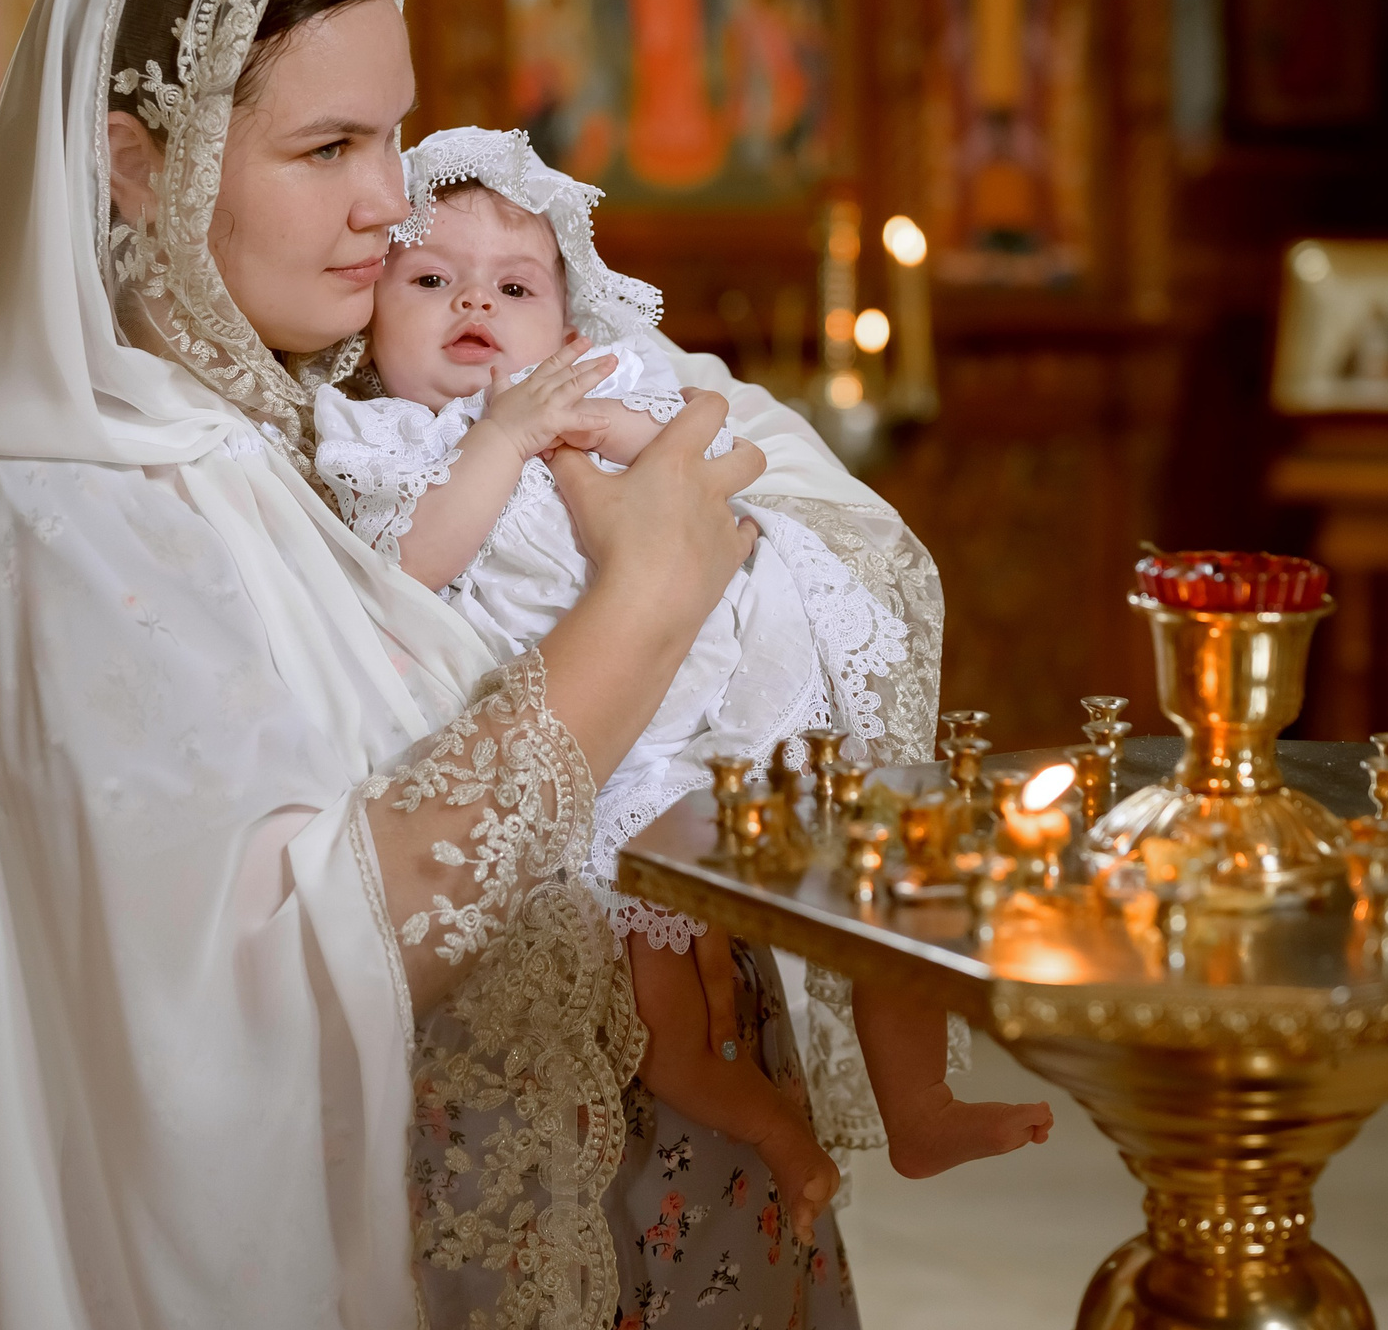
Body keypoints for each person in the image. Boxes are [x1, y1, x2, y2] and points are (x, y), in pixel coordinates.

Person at [0, 0, 769, 1330]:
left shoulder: (269, 440)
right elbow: (275, 980)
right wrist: (647, 602)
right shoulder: (62, 501)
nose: (387, 198)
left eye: (395, 131)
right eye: (328, 144)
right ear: (137, 164)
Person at [312, 128, 1051, 1244]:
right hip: (604, 753)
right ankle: (768, 1124)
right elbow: (411, 564)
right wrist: (501, 440)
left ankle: (919, 1101)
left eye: (511, 286)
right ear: (371, 316)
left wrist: (620, 428)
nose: (472, 301)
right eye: (429, 280)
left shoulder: (609, 386)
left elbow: (707, 479)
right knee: (663, 1000)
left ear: (565, 328)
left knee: (884, 868)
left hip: (718, 710)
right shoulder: (388, 437)